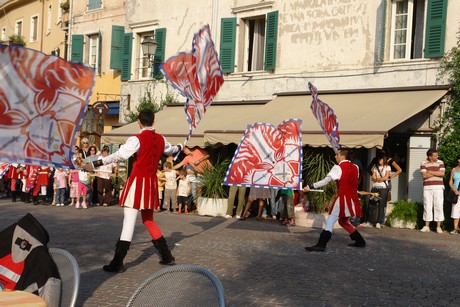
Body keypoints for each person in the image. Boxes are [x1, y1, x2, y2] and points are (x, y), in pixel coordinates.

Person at [83, 110, 182, 273]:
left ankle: (118, 262)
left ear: (139, 121)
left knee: (129, 222)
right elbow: (172, 150)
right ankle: (166, 256)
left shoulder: (136, 139)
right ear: (154, 121)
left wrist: (95, 164)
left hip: (137, 183)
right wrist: (181, 146)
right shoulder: (161, 139)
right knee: (149, 221)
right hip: (151, 185)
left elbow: (119, 156)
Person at [302, 148, 365, 251]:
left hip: (342, 200)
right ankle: (360, 241)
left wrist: (310, 186)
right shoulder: (355, 167)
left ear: (341, 155)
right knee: (343, 222)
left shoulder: (338, 167)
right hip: (353, 199)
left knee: (330, 222)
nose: (335, 157)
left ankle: (321, 245)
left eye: (336, 155)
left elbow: (325, 181)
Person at [420, 148, 445, 234]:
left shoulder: (440, 162)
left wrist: (429, 171)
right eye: (435, 155)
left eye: (437, 155)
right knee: (427, 206)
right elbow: (424, 175)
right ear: (430, 157)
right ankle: (426, 226)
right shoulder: (423, 163)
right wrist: (435, 172)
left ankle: (438, 227)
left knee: (439, 205)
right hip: (427, 187)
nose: (437, 156)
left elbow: (442, 173)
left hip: (438, 187)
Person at [369, 152, 391, 228]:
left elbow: (386, 177)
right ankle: (370, 221)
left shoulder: (387, 167)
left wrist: (377, 179)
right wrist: (378, 179)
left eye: (381, 159)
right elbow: (372, 177)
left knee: (381, 205)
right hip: (375, 188)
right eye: (378, 159)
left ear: (384, 159)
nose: (379, 160)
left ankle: (379, 222)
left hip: (383, 188)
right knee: (372, 204)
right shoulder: (375, 167)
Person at [448, 154, 460, 235]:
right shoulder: (454, 169)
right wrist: (454, 189)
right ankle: (455, 229)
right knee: (455, 211)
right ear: (459, 160)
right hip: (455, 193)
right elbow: (450, 182)